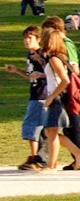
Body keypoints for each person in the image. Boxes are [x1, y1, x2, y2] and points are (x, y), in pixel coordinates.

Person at [36, 19, 80, 172]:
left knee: (51, 131)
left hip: (57, 98)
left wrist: (51, 97)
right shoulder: (55, 58)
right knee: (50, 131)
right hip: (56, 97)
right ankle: (78, 153)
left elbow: (65, 80)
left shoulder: (54, 59)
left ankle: (52, 164)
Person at [6, 26, 47, 168]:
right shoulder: (30, 55)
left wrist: (41, 65)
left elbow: (54, 73)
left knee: (31, 125)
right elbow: (31, 76)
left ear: (38, 39)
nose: (26, 40)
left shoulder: (42, 54)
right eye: (25, 38)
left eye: (30, 38)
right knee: (39, 128)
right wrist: (17, 70)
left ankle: (35, 157)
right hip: (34, 93)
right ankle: (40, 157)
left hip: (42, 94)